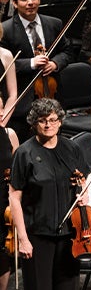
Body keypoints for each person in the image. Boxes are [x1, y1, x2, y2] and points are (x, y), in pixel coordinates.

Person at [9, 98, 91, 290]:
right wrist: (23, 238)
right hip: (38, 235)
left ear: (61, 121)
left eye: (53, 120)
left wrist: (84, 194)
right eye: (42, 120)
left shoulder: (72, 148)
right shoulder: (24, 153)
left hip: (70, 235)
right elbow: (14, 197)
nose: (48, 125)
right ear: (34, 122)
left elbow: (83, 179)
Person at [0, 0, 73, 141]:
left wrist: (55, 63)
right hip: (23, 101)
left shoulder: (54, 23)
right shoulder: (6, 29)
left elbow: (67, 52)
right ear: (14, 2)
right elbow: (4, 64)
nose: (30, 2)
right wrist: (32, 62)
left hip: (52, 94)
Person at [0, 112, 17, 290]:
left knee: (3, 252)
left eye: (2, 107)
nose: (1, 113)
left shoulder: (9, 134)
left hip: (4, 201)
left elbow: (19, 169)